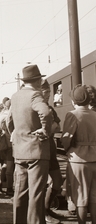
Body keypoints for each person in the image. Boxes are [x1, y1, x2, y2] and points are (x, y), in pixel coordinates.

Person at [8, 64, 52, 224]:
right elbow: (45, 113)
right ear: (38, 80)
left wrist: (17, 134)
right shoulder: (35, 95)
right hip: (36, 152)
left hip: (19, 152)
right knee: (36, 194)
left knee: (20, 192)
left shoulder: (15, 96)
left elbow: (8, 121)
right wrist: (45, 130)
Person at [61, 84, 96, 224]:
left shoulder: (72, 115)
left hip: (78, 159)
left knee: (81, 197)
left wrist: (69, 148)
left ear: (74, 101)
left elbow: (66, 138)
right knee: (94, 196)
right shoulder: (95, 114)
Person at [41, 79, 63, 224]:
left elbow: (57, 127)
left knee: (57, 181)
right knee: (41, 184)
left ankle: (47, 209)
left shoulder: (50, 108)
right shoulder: (37, 108)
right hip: (41, 151)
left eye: (49, 91)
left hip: (51, 150)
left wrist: (51, 127)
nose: (48, 94)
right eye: (45, 91)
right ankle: (43, 213)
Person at [0, 98, 14, 196]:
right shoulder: (10, 115)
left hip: (4, 144)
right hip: (11, 143)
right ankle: (9, 188)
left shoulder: (0, 115)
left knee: (6, 164)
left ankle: (0, 183)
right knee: (10, 166)